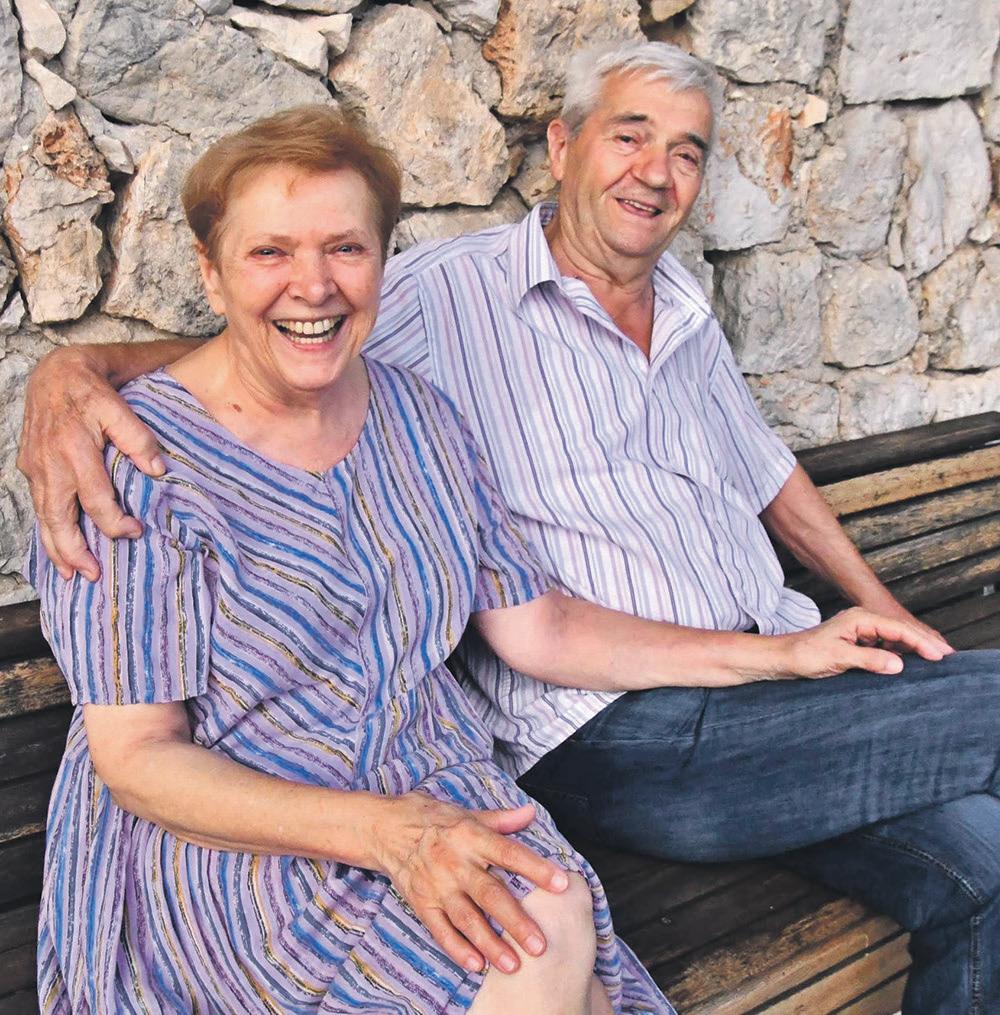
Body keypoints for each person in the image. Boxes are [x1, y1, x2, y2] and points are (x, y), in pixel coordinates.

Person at [18, 42, 999, 1014]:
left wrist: (825, 638)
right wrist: (76, 369)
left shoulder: (556, 360)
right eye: (629, 136)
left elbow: (739, 485)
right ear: (562, 146)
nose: (655, 171)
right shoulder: (440, 301)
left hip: (733, 694)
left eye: (686, 151)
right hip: (559, 748)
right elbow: (280, 337)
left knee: (985, 864)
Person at [24, 105, 690, 1015]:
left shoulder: (421, 418)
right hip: (238, 838)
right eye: (270, 252)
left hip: (430, 784)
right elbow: (139, 756)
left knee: (547, 924)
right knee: (538, 944)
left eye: (346, 248)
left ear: (382, 261)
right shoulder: (134, 461)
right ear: (211, 274)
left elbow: (541, 626)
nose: (314, 284)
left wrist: (785, 653)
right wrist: (389, 835)